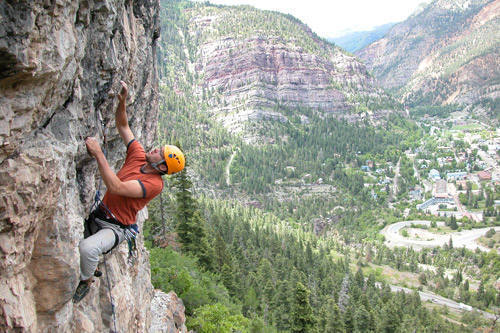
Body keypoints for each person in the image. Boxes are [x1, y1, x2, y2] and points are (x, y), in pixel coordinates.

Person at [73, 81, 185, 303]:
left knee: (87, 248)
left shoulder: (154, 184)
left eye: (159, 152)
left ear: (162, 166)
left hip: (116, 227)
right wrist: (122, 101)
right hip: (101, 214)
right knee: (83, 244)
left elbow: (116, 187)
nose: (154, 149)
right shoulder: (139, 155)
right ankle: (90, 267)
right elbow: (123, 127)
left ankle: (86, 280)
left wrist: (98, 153)